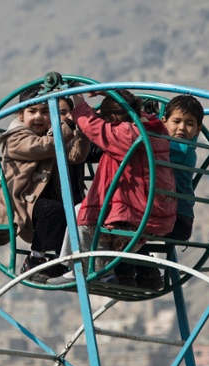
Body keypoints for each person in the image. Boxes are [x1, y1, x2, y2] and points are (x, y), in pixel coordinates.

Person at [48, 89, 177, 286]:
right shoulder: (154, 129)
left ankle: (86, 270)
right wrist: (111, 92)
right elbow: (133, 110)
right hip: (156, 214)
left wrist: (78, 100)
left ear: (115, 118)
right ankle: (81, 266)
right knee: (81, 213)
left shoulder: (127, 135)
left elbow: (92, 126)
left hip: (135, 216)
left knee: (84, 217)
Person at [0, 85, 90, 282]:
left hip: (36, 201)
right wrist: (68, 126)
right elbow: (42, 147)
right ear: (21, 115)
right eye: (32, 111)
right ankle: (35, 258)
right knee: (51, 209)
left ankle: (58, 259)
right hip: (18, 201)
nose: (39, 116)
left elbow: (76, 155)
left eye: (45, 112)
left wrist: (81, 130)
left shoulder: (52, 137)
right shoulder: (16, 138)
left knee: (69, 211)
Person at [135, 94, 205, 290]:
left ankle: (146, 272)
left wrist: (146, 120)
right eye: (177, 121)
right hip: (169, 215)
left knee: (124, 227)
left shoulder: (182, 148)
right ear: (165, 122)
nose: (182, 128)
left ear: (197, 129)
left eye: (189, 123)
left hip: (176, 219)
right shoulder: (180, 143)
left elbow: (156, 142)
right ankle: (143, 272)